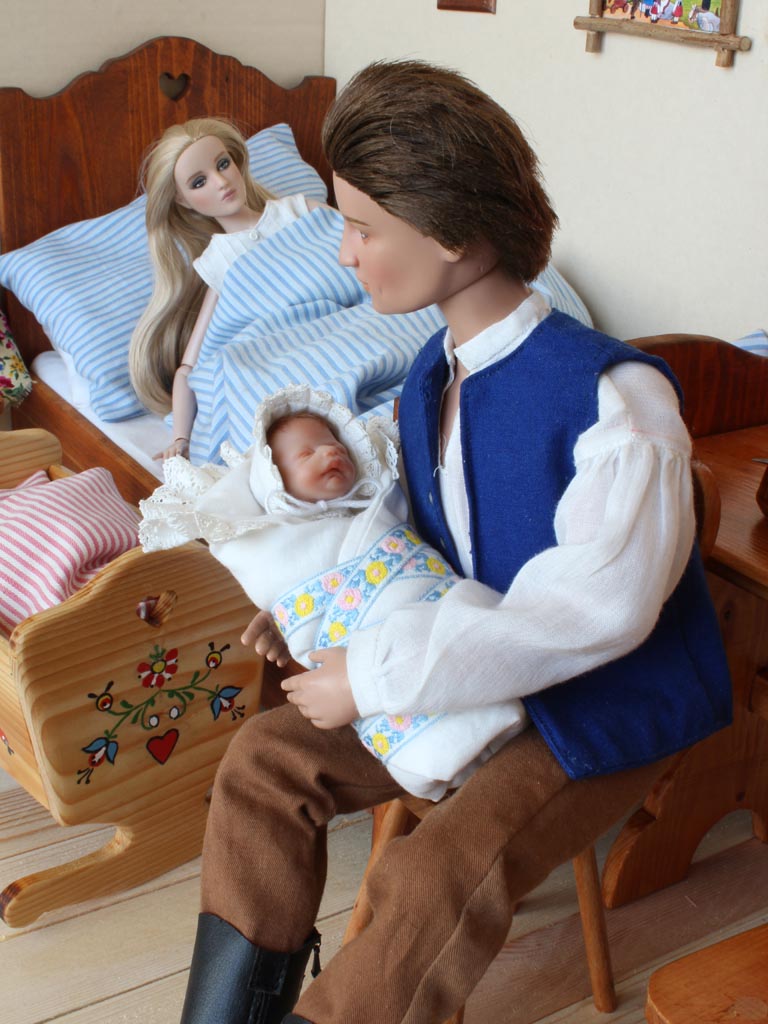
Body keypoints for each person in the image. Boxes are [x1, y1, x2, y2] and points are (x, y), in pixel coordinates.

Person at [178, 60, 732, 1024]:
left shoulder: (616, 402)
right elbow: (418, 531)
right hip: (465, 664)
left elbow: (593, 613)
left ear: (450, 232)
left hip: (595, 697)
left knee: (437, 872)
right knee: (265, 764)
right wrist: (322, 607)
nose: (345, 253)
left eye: (363, 228)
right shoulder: (435, 373)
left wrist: (372, 674)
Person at [139, 384, 528, 800]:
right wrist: (288, 613)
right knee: (255, 755)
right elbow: (286, 586)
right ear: (274, 482)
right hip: (358, 671)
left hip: (443, 630)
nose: (331, 452)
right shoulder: (271, 544)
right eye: (307, 453)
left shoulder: (378, 500)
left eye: (336, 444)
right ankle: (438, 744)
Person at [127, 118, 322, 461]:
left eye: (222, 164)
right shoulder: (219, 262)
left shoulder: (298, 210)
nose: (221, 182)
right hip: (292, 356)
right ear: (183, 201)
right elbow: (190, 368)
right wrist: (181, 438)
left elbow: (361, 241)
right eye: (199, 182)